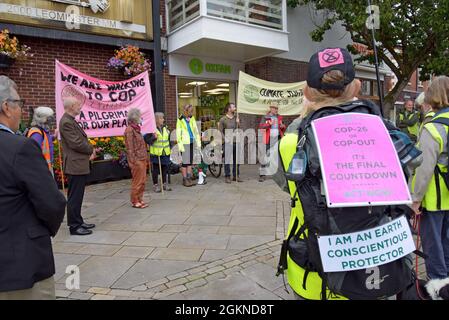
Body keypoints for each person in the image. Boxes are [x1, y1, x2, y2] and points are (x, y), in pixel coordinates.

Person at [0, 76, 66, 299]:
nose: (21, 110)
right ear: (6, 108)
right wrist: (41, 230)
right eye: (19, 103)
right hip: (20, 264)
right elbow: (52, 202)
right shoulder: (19, 147)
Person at [411, 76, 449, 280]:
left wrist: (416, 198)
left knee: (433, 244)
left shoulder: (433, 127)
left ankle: (439, 285)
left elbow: (424, 169)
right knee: (447, 241)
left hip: (434, 198)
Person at [59, 96, 97, 236]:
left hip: (78, 164)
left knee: (78, 195)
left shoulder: (70, 121)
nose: (80, 107)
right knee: (75, 196)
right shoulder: (66, 122)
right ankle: (74, 226)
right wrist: (91, 149)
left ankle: (78, 221)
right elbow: (76, 143)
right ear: (70, 107)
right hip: (75, 165)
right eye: (77, 105)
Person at [124, 108, 149, 208]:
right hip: (137, 160)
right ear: (135, 117)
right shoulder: (129, 130)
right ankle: (135, 200)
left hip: (142, 158)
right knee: (137, 181)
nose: (141, 118)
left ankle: (140, 198)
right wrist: (133, 161)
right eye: (139, 116)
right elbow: (129, 147)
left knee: (142, 181)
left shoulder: (137, 128)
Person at [258, 105, 286, 182]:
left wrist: (283, 126)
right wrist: (269, 124)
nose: (276, 110)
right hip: (268, 139)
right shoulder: (265, 117)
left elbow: (282, 127)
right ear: (271, 109)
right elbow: (261, 127)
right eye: (275, 108)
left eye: (277, 108)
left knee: (277, 156)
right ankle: (262, 175)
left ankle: (278, 175)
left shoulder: (279, 117)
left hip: (277, 138)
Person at [176, 104, 201, 187]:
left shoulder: (192, 118)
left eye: (192, 111)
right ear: (185, 111)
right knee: (184, 163)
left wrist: (198, 142)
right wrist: (180, 146)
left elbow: (195, 131)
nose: (192, 113)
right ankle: (185, 179)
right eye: (190, 111)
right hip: (184, 143)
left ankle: (189, 178)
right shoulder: (180, 120)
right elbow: (178, 134)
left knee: (190, 162)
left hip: (191, 142)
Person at [26, 106, 57, 174]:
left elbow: (45, 140)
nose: (51, 120)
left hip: (45, 168)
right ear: (43, 119)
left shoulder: (42, 130)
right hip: (41, 170)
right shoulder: (37, 134)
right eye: (49, 118)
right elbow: (34, 155)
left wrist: (53, 137)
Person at [218, 102, 243, 183]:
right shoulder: (223, 119)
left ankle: (236, 176)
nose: (235, 108)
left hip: (236, 141)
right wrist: (225, 139)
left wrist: (238, 122)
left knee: (237, 160)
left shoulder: (236, 117)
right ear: (229, 109)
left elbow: (239, 128)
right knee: (227, 160)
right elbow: (220, 131)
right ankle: (227, 176)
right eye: (233, 107)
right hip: (228, 142)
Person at [149, 112, 172, 193]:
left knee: (164, 169)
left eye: (163, 118)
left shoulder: (165, 128)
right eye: (161, 118)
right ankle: (155, 185)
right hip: (156, 153)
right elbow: (148, 141)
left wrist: (170, 148)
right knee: (155, 170)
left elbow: (168, 140)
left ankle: (164, 184)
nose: (163, 120)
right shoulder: (152, 129)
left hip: (165, 152)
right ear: (156, 120)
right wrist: (153, 138)